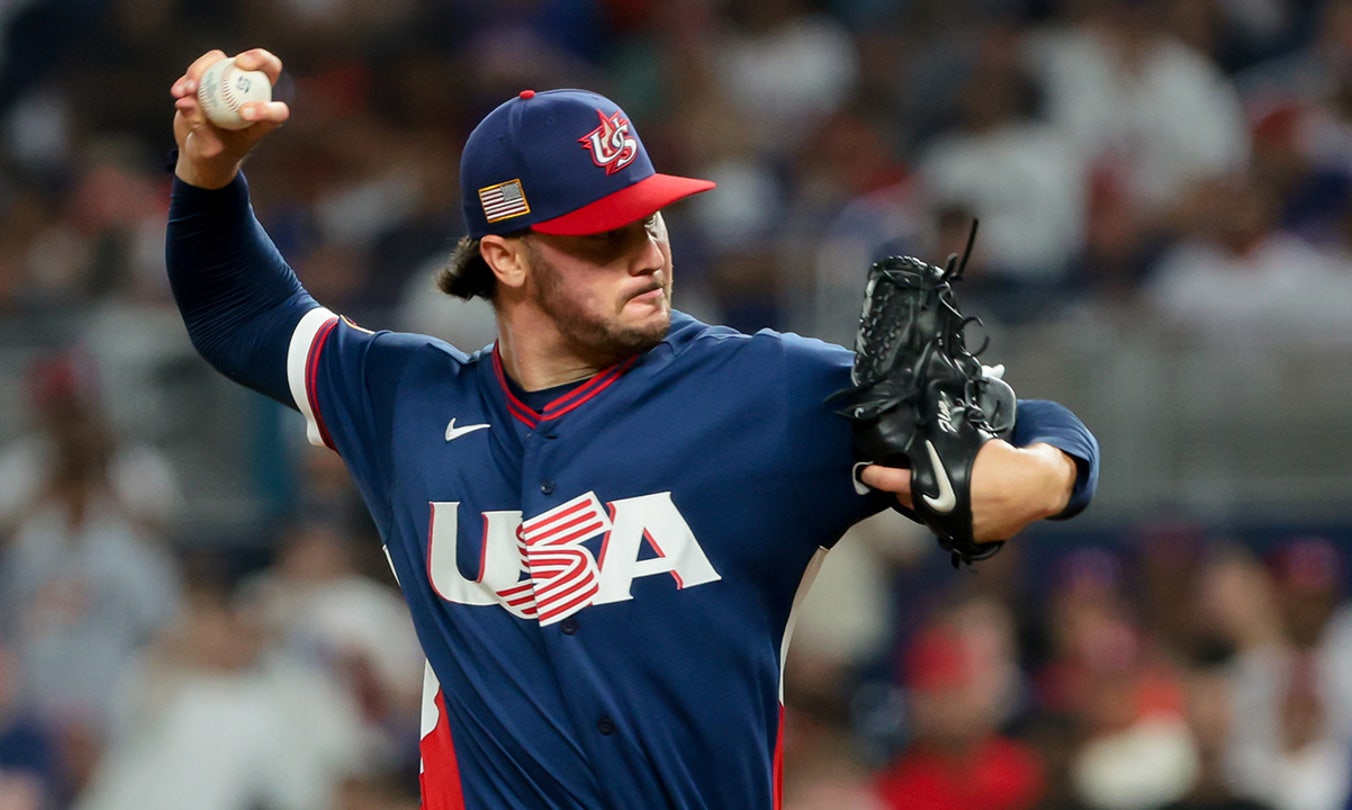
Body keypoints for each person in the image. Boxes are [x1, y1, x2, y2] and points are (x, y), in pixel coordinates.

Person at [164, 48, 1100, 809]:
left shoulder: (762, 391)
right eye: (602, 233)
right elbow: (238, 311)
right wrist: (209, 173)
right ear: (505, 258)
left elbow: (1013, 418)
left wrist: (1047, 472)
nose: (647, 253)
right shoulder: (406, 404)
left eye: (650, 218)